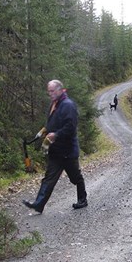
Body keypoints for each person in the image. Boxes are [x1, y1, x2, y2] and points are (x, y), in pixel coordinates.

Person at [24, 80, 88, 213]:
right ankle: (38, 204)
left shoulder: (68, 105)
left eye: (52, 91)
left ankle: (82, 200)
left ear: (60, 90)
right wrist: (44, 131)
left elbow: (71, 127)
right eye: (49, 91)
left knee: (75, 177)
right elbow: (51, 123)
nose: (50, 94)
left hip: (68, 151)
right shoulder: (55, 104)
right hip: (56, 152)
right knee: (49, 179)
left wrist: (56, 135)